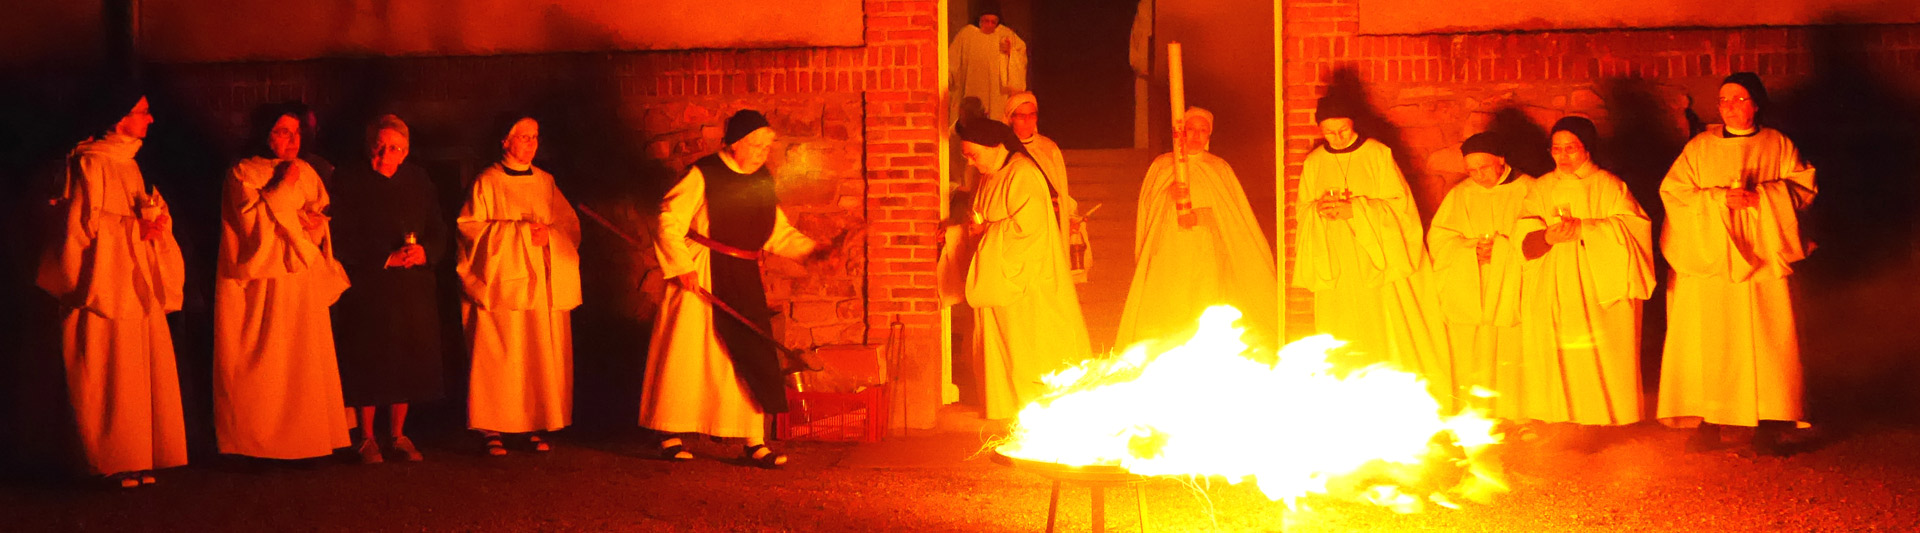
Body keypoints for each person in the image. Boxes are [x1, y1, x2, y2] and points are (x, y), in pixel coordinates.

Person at [642, 110, 836, 468]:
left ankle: (752, 439)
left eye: (767, 145)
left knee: (747, 352)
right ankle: (669, 431)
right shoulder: (704, 174)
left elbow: (776, 232)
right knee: (691, 352)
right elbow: (668, 217)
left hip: (742, 275)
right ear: (735, 144)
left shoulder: (762, 178)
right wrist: (682, 266)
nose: (763, 152)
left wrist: (814, 254)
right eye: (757, 145)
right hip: (702, 270)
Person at [1657, 73, 1816, 456]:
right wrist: (1719, 202)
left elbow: (1803, 188)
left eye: (1738, 98)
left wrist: (1762, 196)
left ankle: (1769, 423)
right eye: (1724, 99)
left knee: (1765, 341)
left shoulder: (1777, 144)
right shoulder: (1699, 148)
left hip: (1762, 260)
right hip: (1711, 262)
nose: (1728, 105)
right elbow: (1674, 194)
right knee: (1710, 340)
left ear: (1755, 104)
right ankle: (1710, 420)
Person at [38, 88, 187, 487]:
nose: (150, 119)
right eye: (143, 111)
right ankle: (107, 459)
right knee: (105, 369)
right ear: (119, 117)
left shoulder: (129, 165)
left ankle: (138, 455)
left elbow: (132, 213)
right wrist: (131, 227)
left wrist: (154, 223)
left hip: (133, 279)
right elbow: (78, 226)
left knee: (137, 369)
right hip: (102, 284)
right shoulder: (89, 163)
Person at [1291, 95, 1453, 410]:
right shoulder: (1314, 163)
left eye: (1343, 131)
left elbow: (1400, 207)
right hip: (1337, 261)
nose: (1337, 138)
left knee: (1386, 326)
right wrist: (1318, 210)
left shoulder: (1378, 154)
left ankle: (1397, 400)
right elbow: (1303, 210)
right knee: (1343, 330)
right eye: (1329, 133)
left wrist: (1357, 210)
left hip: (1378, 261)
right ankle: (1348, 403)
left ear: (1353, 125)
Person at [212, 103, 353, 461]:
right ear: (265, 134)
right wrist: (283, 188)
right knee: (265, 361)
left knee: (302, 359)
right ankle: (258, 444)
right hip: (264, 281)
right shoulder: (244, 172)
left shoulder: (305, 170)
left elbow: (316, 213)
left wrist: (314, 223)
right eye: (282, 131)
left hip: (298, 278)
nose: (292, 140)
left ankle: (307, 441)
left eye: (295, 132)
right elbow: (249, 225)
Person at [1509, 116, 1654, 443]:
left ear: (1587, 149)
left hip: (1593, 280)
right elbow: (1522, 232)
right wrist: (1546, 235)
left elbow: (1633, 228)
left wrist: (1585, 228)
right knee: (1557, 347)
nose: (1563, 156)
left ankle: (1597, 421)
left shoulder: (1608, 185)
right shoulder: (1542, 186)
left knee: (1592, 347)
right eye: (1556, 149)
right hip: (1552, 278)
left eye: (1571, 149)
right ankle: (1560, 418)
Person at [456, 116, 582, 456]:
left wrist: (550, 237)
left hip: (539, 284)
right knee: (501, 354)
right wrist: (520, 234)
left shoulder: (545, 182)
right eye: (523, 137)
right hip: (503, 285)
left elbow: (569, 228)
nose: (530, 143)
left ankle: (532, 421)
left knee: (536, 354)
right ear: (505, 141)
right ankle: (492, 426)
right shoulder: (487, 182)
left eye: (535, 137)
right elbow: (470, 230)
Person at [328, 115, 447, 463]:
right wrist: (383, 258)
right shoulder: (350, 180)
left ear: (406, 150)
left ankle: (398, 434)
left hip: (412, 285)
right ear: (370, 146)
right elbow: (341, 236)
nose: (386, 153)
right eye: (380, 146)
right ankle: (366, 437)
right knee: (370, 356)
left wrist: (426, 251)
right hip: (370, 285)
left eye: (395, 147)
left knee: (407, 356)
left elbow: (438, 227)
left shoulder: (418, 180)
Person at [955, 117, 1092, 420]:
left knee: (1026, 349)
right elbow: (978, 220)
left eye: (973, 154)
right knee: (999, 349)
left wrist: (987, 233)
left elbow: (1028, 231)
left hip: (1025, 284)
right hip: (995, 278)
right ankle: (1007, 409)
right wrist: (962, 233)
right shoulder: (989, 175)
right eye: (967, 156)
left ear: (993, 146)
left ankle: (1037, 412)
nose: (972, 162)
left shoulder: (1023, 174)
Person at [1115, 107, 1277, 348]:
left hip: (1205, 254)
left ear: (1209, 135)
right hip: (1170, 253)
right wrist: (1167, 195)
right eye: (1191, 129)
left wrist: (1200, 216)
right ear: (1182, 132)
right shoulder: (1162, 166)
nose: (1196, 136)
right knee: (1170, 305)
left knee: (1203, 306)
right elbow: (1149, 213)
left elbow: (1233, 221)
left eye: (1203, 131)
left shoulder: (1219, 168)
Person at [1428, 132, 1534, 415]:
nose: (1478, 176)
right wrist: (1469, 251)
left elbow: (1538, 240)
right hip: (1471, 284)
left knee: (1515, 349)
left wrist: (1502, 252)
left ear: (1501, 159)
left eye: (1484, 168)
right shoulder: (1461, 194)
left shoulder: (1530, 189)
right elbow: (1439, 240)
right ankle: (1476, 414)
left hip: (1513, 284)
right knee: (1472, 350)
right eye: (1471, 170)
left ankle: (1519, 414)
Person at [1006, 92, 1088, 282]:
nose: (1028, 121)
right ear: (1011, 118)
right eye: (1021, 116)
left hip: (1050, 221)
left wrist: (1069, 217)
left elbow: (1060, 188)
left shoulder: (1048, 148)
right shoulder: (1004, 149)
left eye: (1032, 115)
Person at [949, 4, 1028, 122]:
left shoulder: (1006, 35)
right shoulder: (966, 35)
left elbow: (1020, 58)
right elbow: (952, 62)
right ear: (979, 20)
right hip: (972, 89)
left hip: (998, 95)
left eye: (993, 22)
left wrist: (1010, 53)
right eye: (986, 21)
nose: (990, 25)